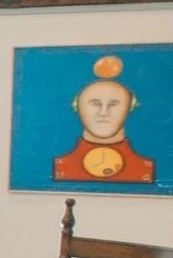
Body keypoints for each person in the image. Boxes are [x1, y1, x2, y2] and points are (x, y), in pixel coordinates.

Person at [52, 54, 155, 183]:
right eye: (95, 103)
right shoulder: (62, 166)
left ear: (130, 108)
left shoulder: (144, 168)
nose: (103, 112)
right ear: (77, 107)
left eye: (114, 104)